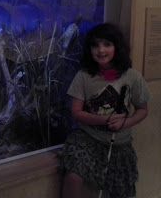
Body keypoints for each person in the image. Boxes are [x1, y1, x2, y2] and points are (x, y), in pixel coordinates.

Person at [58, 23, 152, 198]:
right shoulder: (84, 76)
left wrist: (126, 122)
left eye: (107, 44)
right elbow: (76, 113)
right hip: (87, 138)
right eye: (95, 45)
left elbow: (142, 110)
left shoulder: (132, 77)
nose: (101, 50)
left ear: (117, 47)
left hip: (119, 143)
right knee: (73, 177)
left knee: (123, 190)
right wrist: (105, 119)